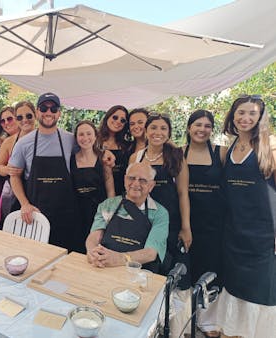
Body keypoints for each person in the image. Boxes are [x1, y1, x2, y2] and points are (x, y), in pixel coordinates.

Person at [216, 95, 276, 338]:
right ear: (232, 115)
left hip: (263, 235)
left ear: (260, 117)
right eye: (241, 112)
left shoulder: (269, 145)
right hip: (234, 232)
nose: (245, 118)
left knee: (260, 291)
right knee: (235, 288)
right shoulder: (230, 147)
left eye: (252, 113)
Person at [129, 113, 192, 337]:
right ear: (145, 131)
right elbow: (130, 191)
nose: (158, 132)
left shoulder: (176, 157)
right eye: (153, 127)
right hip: (142, 221)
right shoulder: (136, 157)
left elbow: (183, 193)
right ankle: (145, 323)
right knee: (146, 271)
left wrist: (186, 227)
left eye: (163, 128)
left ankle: (171, 328)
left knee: (167, 272)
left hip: (171, 223)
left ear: (169, 132)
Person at [9, 92, 80, 252]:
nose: (48, 112)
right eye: (44, 108)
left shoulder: (70, 140)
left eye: (53, 108)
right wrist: (24, 204)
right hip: (35, 213)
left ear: (59, 113)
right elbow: (14, 176)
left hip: (65, 213)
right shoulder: (23, 143)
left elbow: (89, 152)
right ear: (37, 112)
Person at [182, 110, 225, 337]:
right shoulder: (179, 153)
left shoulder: (222, 153)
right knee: (188, 270)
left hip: (213, 224)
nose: (202, 129)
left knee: (212, 271)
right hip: (186, 222)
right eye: (198, 124)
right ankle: (187, 319)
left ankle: (208, 322)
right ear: (189, 128)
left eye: (207, 126)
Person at [86, 162, 168, 271]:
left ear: (151, 186)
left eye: (142, 180)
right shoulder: (108, 205)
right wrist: (92, 251)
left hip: (137, 272)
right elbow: (95, 236)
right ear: (125, 180)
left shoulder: (159, 213)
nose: (135, 183)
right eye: (131, 178)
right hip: (104, 266)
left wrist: (119, 258)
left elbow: (151, 253)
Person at [71, 120, 115, 241]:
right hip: (77, 213)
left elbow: (110, 189)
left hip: (99, 214)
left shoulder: (104, 159)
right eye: (81, 134)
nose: (85, 138)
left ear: (95, 136)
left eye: (89, 133)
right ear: (76, 138)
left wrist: (110, 213)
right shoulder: (70, 160)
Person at [0, 101, 36, 223]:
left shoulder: (43, 137)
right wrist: (7, 169)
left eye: (29, 116)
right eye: (20, 117)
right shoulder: (9, 142)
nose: (24, 120)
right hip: (12, 193)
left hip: (35, 189)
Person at [98, 105, 130, 196]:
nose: (118, 121)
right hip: (99, 192)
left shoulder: (128, 146)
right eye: (115, 117)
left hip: (123, 194)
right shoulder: (94, 142)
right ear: (107, 117)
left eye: (122, 120)